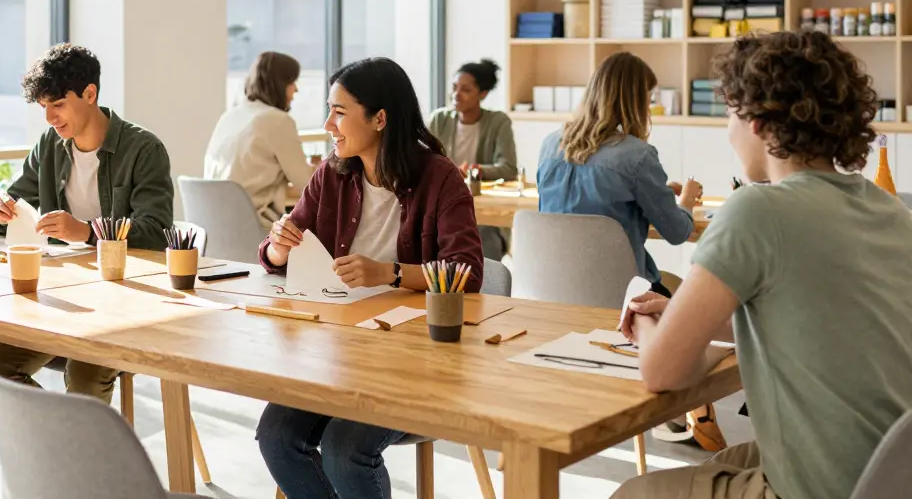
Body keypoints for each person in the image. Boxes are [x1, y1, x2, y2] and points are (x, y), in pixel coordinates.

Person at [614, 31, 912, 499]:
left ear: (755, 120)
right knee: (727, 461)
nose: (728, 131)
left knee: (633, 493)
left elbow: (661, 372)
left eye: (730, 114)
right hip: (891, 471)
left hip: (822, 485)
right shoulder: (892, 211)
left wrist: (645, 322)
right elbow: (811, 313)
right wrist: (680, 315)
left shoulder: (757, 211)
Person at [255, 57, 483, 499]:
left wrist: (391, 274)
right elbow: (276, 254)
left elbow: (467, 272)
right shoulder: (331, 175)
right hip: (340, 352)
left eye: (339, 112)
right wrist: (278, 247)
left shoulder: (441, 178)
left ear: (380, 119)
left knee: (344, 449)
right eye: (328, 110)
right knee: (276, 436)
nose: (327, 124)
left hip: (414, 360)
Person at [0, 44, 173, 402]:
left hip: (126, 305)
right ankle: (60, 447)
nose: (50, 118)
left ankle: (81, 453)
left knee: (84, 374)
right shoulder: (50, 145)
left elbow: (157, 235)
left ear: (89, 93)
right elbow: (16, 203)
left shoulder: (144, 150)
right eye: (44, 108)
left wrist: (84, 231)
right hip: (62, 297)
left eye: (58, 104)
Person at [536, 51, 700, 296]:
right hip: (621, 296)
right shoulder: (638, 155)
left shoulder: (550, 145)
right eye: (649, 99)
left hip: (554, 291)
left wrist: (660, 191)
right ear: (635, 102)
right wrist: (687, 200)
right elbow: (677, 233)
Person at [204, 51, 314, 228]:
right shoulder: (277, 121)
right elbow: (309, 187)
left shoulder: (229, 116)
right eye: (292, 82)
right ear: (279, 85)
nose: (296, 89)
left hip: (212, 230)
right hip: (254, 231)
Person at [427, 58, 516, 259]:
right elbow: (423, 161)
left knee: (483, 234)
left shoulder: (498, 122)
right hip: (443, 204)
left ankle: (487, 286)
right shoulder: (439, 119)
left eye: (465, 90)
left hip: (483, 210)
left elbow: (508, 167)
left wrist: (473, 171)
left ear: (482, 94)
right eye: (454, 87)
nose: (456, 95)